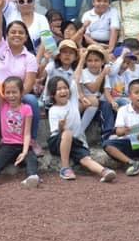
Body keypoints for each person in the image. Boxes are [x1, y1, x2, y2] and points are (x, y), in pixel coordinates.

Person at [0, 0, 41, 157]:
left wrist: (13, 98)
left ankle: (32, 139)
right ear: (7, 36)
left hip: (18, 96)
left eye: (21, 33)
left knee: (32, 100)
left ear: (26, 37)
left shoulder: (30, 58)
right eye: (13, 32)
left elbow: (28, 84)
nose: (16, 35)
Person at [46, 50, 118, 182]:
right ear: (52, 95)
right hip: (57, 142)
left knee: (85, 158)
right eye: (58, 89)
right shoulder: (53, 110)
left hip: (74, 141)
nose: (63, 91)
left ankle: (104, 171)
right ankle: (65, 168)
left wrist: (82, 58)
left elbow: (76, 78)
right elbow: (56, 132)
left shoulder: (73, 102)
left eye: (65, 88)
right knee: (67, 133)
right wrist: (61, 127)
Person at [0, 62, 40, 189]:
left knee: (32, 159)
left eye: (14, 92)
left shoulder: (27, 109)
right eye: (8, 92)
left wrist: (25, 151)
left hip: (23, 144)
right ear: (4, 94)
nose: (11, 95)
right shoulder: (3, 105)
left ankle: (32, 177)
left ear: (21, 92)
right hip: (8, 145)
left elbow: (27, 133)